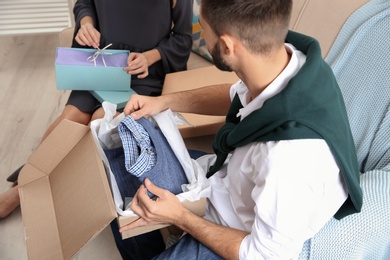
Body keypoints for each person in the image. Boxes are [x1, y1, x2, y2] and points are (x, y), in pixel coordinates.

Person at [110, 0, 363, 259]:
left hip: (241, 237)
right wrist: (165, 101)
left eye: (204, 28)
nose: (202, 33)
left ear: (228, 46)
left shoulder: (285, 157)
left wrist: (181, 217)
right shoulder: (285, 61)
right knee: (114, 183)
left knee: (130, 209)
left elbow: (264, 254)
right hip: (230, 181)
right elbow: (235, 95)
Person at [0, 0, 192, 222]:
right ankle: (24, 189)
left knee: (98, 122)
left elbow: (183, 38)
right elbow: (84, 4)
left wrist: (150, 57)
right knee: (71, 118)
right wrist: (86, 24)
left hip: (143, 73)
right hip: (100, 63)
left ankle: (26, 187)